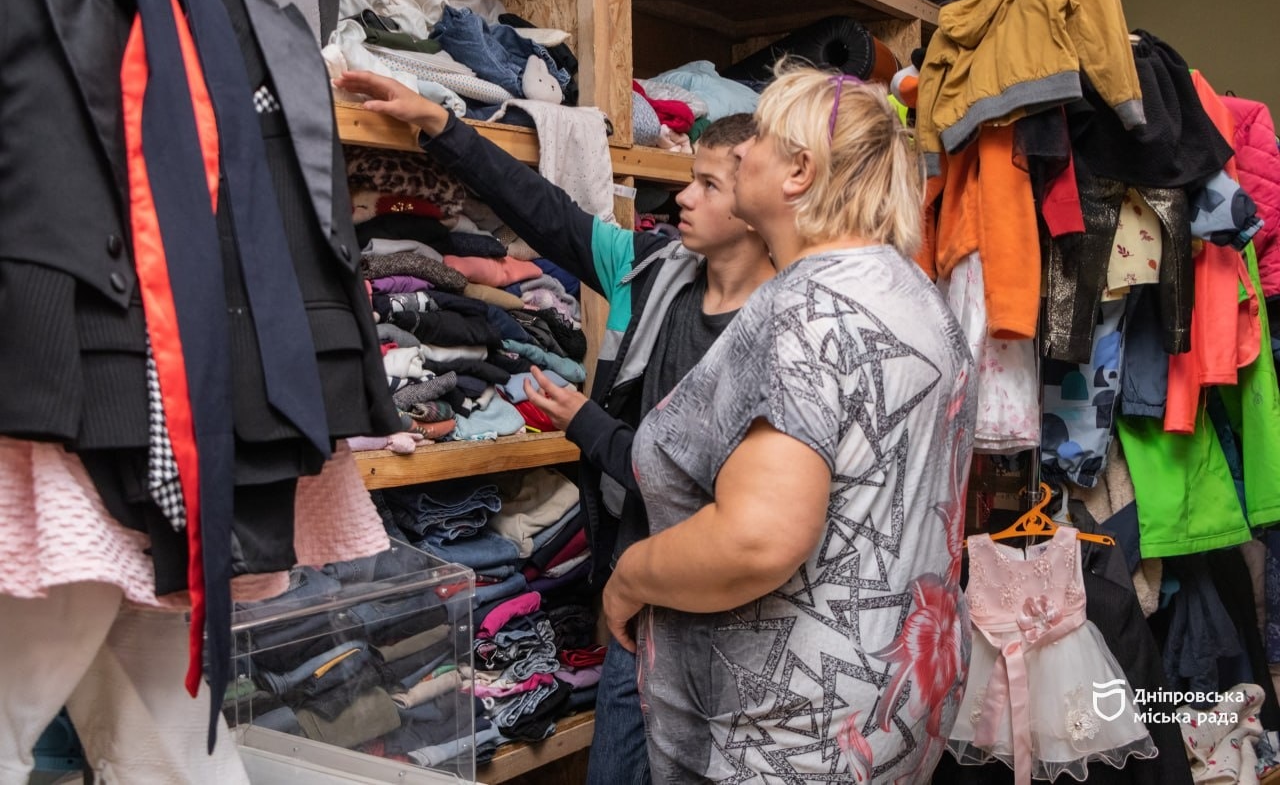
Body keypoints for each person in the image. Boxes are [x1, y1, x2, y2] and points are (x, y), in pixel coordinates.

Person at [331, 69, 776, 785]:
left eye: (708, 185)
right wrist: (439, 125)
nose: (682, 197)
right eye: (688, 178)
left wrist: (586, 425)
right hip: (639, 601)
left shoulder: (778, 329)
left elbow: (705, 490)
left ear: (757, 205)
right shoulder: (649, 268)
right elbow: (543, 211)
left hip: (730, 611)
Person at [600, 67, 978, 782]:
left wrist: (629, 578)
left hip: (785, 737)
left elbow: (756, 538)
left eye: (763, 138)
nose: (743, 150)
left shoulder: (802, 311)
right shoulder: (914, 293)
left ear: (799, 171)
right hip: (888, 717)